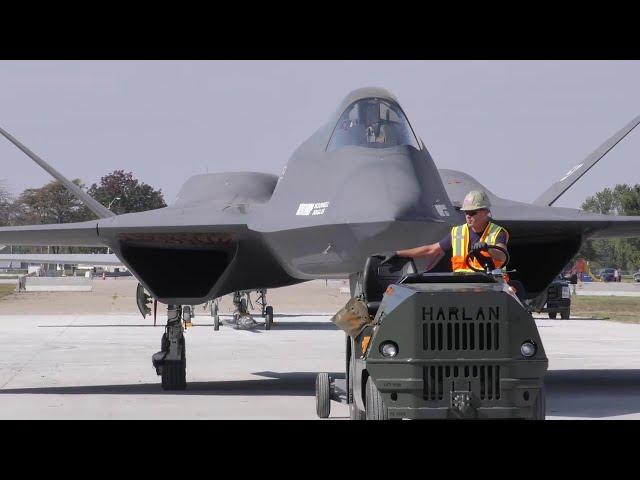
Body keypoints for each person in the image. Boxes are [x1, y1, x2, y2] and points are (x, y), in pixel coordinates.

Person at [381, 190, 509, 273]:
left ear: (485, 213)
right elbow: (431, 250)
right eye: (466, 212)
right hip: (463, 286)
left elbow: (502, 255)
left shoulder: (497, 233)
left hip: (491, 285)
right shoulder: (458, 233)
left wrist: (487, 249)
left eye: (472, 212)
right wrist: (398, 253)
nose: (468, 216)